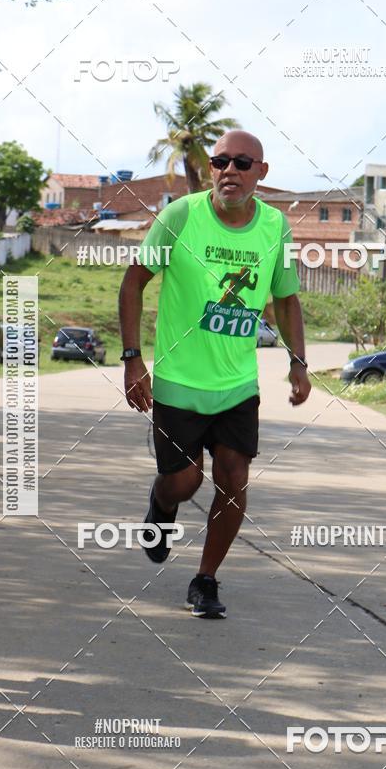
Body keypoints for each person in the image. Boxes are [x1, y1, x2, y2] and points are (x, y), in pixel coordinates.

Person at [119, 130, 311, 618]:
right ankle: (162, 505)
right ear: (211, 168)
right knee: (183, 483)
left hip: (236, 386)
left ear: (261, 174)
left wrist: (298, 363)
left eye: (243, 163)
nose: (230, 170)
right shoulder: (181, 216)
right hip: (180, 383)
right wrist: (132, 358)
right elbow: (134, 282)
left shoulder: (275, 227)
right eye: (221, 161)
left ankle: (205, 580)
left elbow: (287, 298)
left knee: (234, 479)